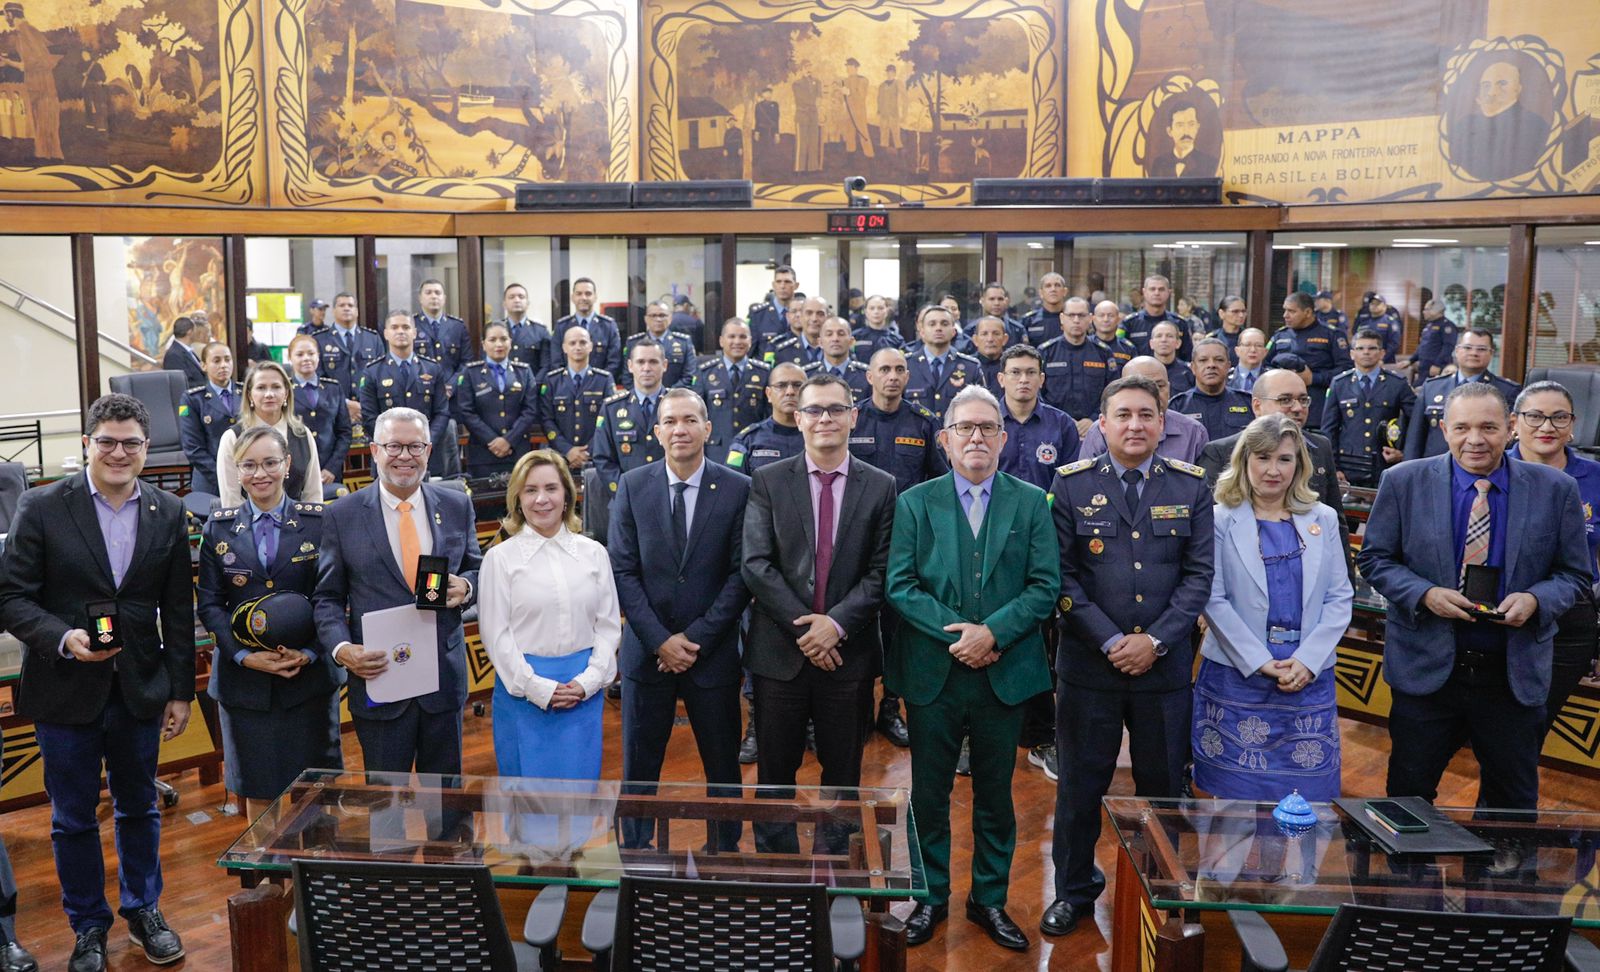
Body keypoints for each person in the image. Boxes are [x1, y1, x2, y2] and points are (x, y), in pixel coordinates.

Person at [0, 394, 194, 970]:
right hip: (63, 688)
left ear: (145, 449)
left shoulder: (168, 510)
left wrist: (181, 689)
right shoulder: (40, 506)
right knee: (72, 817)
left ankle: (143, 910)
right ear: (87, 443)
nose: (118, 452)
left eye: (131, 442)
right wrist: (62, 637)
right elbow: (12, 598)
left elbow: (176, 610)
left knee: (140, 808)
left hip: (140, 687)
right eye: (106, 441)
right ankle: (87, 927)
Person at [1358, 383, 1588, 810]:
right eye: (1462, 427)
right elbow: (1374, 560)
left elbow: (1575, 575)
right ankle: (1409, 878)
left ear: (1511, 428)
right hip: (1426, 669)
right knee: (1407, 797)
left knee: (1511, 804)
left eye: (1489, 427)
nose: (1475, 439)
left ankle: (1498, 875)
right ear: (1444, 428)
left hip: (1511, 672)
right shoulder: (1403, 481)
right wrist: (1424, 593)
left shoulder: (1555, 489)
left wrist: (1536, 600)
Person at [885, 386, 1058, 952]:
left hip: (1003, 674)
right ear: (945, 439)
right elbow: (901, 586)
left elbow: (1045, 586)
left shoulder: (1032, 501)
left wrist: (994, 634)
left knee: (996, 796)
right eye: (965, 428)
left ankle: (988, 899)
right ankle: (930, 896)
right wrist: (959, 636)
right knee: (928, 795)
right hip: (934, 673)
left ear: (1004, 439)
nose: (977, 437)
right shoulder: (915, 502)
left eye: (988, 427)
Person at [1043, 375, 1214, 937]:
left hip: (1163, 670)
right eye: (1124, 415)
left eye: (1146, 414)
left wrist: (1156, 641)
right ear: (1103, 424)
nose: (1136, 425)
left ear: (1163, 424)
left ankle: (1160, 884)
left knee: (1163, 788)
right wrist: (1114, 641)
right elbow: (1062, 578)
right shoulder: (1068, 486)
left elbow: (1198, 578)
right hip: (1091, 667)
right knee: (1079, 787)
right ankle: (1072, 890)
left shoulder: (1191, 486)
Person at [741, 374, 897, 854]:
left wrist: (836, 625)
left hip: (848, 657)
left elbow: (881, 570)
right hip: (779, 658)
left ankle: (834, 865)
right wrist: (809, 631)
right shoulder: (768, 480)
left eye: (835, 409)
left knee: (843, 770)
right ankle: (777, 866)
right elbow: (757, 564)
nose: (824, 418)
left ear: (854, 416)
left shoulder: (882, 485)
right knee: (774, 772)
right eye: (814, 410)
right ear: (797, 417)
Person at [609, 389, 751, 850]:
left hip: (711, 657)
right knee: (639, 768)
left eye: (690, 420)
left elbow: (740, 575)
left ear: (708, 429)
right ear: (657, 431)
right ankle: (633, 850)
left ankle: (724, 852)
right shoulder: (633, 486)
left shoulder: (738, 488)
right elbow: (623, 570)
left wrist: (694, 640)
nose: (680, 429)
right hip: (647, 655)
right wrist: (659, 641)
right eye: (670, 421)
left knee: (722, 766)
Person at [312, 407, 482, 775]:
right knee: (387, 809)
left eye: (415, 447)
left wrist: (467, 586)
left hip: (443, 680)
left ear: (429, 451)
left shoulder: (456, 505)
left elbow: (478, 568)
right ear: (374, 451)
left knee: (449, 802)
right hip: (380, 679)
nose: (405, 456)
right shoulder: (342, 514)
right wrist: (343, 651)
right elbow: (326, 599)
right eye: (394, 446)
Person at [1193, 415, 1353, 800]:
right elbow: (1212, 598)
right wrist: (1259, 661)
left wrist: (1309, 660)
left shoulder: (1324, 518)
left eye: (1284, 459)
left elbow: (1339, 596)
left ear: (1299, 464)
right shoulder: (1217, 518)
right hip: (1237, 672)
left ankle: (1299, 864)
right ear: (1244, 460)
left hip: (1307, 674)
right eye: (1263, 457)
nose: (1273, 470)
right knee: (1231, 811)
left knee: (1306, 802)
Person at [197, 427, 342, 815]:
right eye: (249, 465)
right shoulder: (218, 528)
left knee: (316, 792)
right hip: (245, 685)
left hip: (308, 680)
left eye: (270, 463)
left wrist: (310, 653)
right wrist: (244, 656)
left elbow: (332, 599)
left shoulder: (319, 522)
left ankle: (312, 874)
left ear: (287, 465)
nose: (260, 474)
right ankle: (269, 878)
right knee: (260, 793)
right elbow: (210, 605)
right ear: (237, 469)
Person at [479, 449, 618, 783]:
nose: (542, 499)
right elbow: (496, 637)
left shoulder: (594, 554)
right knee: (529, 809)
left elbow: (609, 627)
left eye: (551, 488)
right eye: (530, 490)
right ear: (518, 498)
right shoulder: (500, 559)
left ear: (567, 495)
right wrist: (537, 687)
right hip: (523, 693)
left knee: (578, 804)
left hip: (582, 691)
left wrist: (588, 682)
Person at [850, 346, 949, 748]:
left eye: (899, 370)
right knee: (854, 624)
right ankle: (853, 708)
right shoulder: (852, 418)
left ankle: (890, 709)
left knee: (897, 630)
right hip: (854, 540)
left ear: (908, 377)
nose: (892, 376)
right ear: (869, 376)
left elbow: (938, 484)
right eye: (884, 370)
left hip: (905, 543)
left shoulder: (923, 423)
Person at [1505, 382, 1600, 742]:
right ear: (1515, 422)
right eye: (1535, 416)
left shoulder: (1595, 477)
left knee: (1531, 731)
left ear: (1573, 424)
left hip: (1570, 622)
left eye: (1559, 417)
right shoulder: (1491, 469)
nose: (1547, 427)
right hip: (1504, 616)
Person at [1197, 369, 1351, 574]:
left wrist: (1346, 585)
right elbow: (1210, 533)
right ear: (1257, 406)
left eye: (1303, 400)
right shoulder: (1221, 452)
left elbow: (1338, 524)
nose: (1297, 408)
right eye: (1285, 400)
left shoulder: (1320, 446)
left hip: (1308, 569)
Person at [216, 360, 324, 508]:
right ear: (249, 395)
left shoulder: (302, 434)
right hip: (247, 527)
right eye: (261, 388)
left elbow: (313, 495)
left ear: (286, 393)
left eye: (276, 387)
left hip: (298, 526)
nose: (269, 394)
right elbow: (231, 500)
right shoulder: (232, 438)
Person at [1404, 328, 1522, 461]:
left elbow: (1510, 439)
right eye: (1468, 347)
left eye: (1481, 349)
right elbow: (1414, 438)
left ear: (1491, 354)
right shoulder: (1432, 388)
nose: (1474, 353)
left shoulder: (1507, 391)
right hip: (1435, 470)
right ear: (1456, 350)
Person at [1322, 329, 1416, 486]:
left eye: (1372, 348)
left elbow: (1416, 422)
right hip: (1348, 466)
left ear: (1382, 353)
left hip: (1384, 465)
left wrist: (1403, 452)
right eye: (1360, 348)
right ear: (1352, 354)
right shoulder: (1339, 384)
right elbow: (1328, 429)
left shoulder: (1397, 383)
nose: (1366, 352)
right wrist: (1334, 467)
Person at [1077, 357, 1209, 463]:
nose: (1152, 393)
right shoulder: (1100, 432)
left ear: (1169, 388)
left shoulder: (1194, 432)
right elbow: (1087, 485)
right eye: (1140, 386)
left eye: (1159, 385)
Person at [453, 321, 541, 477]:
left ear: (510, 342)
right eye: (492, 340)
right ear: (484, 344)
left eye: (503, 339)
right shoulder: (470, 373)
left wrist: (508, 440)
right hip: (482, 453)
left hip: (517, 452)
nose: (498, 344)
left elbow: (530, 410)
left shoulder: (524, 372)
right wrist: (492, 440)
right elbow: (466, 412)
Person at [358, 311, 452, 453]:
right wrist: (393, 444)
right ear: (386, 334)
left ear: (414, 333)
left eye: (406, 327)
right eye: (394, 327)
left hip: (426, 453)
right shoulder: (372, 371)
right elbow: (369, 417)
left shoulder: (432, 369)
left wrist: (425, 442)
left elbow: (442, 413)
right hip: (388, 454)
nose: (400, 331)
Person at [687, 319, 770, 465]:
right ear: (721, 341)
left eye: (743, 337)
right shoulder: (705, 372)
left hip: (753, 448)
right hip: (717, 450)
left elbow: (768, 414)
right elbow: (696, 414)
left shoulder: (763, 372)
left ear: (750, 341)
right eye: (731, 337)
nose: (737, 341)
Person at [1264, 292, 1352, 430]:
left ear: (1308, 312)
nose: (1285, 315)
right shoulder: (1280, 335)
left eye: (1291, 311)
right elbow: (1264, 365)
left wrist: (1314, 378)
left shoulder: (1332, 335)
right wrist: (1279, 377)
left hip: (1317, 408)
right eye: (1285, 310)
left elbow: (1346, 371)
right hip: (1282, 409)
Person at [592, 338, 668, 494]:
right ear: (630, 366)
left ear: (664, 365)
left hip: (670, 496)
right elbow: (602, 458)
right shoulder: (611, 408)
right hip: (626, 498)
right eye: (640, 362)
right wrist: (626, 492)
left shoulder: (678, 404)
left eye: (653, 362)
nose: (646, 368)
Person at [538, 324, 613, 475]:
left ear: (591, 346)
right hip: (559, 457)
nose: (578, 347)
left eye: (583, 342)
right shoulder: (552, 380)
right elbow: (546, 419)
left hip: (595, 457)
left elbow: (607, 419)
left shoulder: (604, 379)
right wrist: (567, 450)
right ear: (564, 348)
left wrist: (588, 451)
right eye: (572, 343)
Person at [287, 333, 352, 493]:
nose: (306, 358)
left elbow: (344, 433)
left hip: (330, 473)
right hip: (295, 472)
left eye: (311, 353)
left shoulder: (333, 388)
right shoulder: (284, 390)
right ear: (290, 358)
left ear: (318, 356)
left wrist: (332, 468)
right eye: (300, 354)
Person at [310, 293, 385, 429]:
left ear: (357, 311)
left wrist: (365, 404)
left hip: (368, 412)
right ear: (333, 311)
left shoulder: (372, 338)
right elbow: (316, 378)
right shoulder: (319, 340)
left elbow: (381, 375)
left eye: (350, 305)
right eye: (341, 305)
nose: (346, 308)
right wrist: (345, 403)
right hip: (333, 413)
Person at [1038, 297, 1113, 431]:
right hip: (1053, 426)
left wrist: (1094, 418)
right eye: (1071, 315)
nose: (1076, 320)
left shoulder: (1103, 352)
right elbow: (1037, 392)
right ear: (1062, 318)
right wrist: (1061, 418)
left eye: (1081, 315)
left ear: (1090, 319)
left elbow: (1112, 391)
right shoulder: (1046, 352)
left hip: (1094, 427)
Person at [179, 340, 242, 496]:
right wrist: (224, 475)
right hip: (211, 480)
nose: (223, 365)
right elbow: (192, 448)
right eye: (216, 361)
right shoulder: (192, 399)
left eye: (228, 359)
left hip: (247, 477)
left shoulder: (247, 392)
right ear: (203, 366)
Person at [904, 304, 981, 420]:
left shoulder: (971, 367)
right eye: (932, 324)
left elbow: (979, 409)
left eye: (944, 324)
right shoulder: (905, 365)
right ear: (922, 331)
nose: (938, 328)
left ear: (954, 331)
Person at [727, 362, 806, 475]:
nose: (790, 392)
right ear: (768, 394)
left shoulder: (819, 436)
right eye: (781, 386)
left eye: (798, 385)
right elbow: (732, 484)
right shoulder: (747, 441)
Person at [1171, 337, 1253, 439]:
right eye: (1203, 360)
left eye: (1219, 360)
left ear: (1228, 367)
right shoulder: (1177, 406)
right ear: (1193, 367)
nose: (1211, 365)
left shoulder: (1247, 403)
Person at [553, 277, 622, 376]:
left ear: (595, 297)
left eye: (588, 294)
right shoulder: (561, 327)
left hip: (600, 388)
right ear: (572, 297)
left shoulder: (608, 326)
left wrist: (599, 382)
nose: (583, 298)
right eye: (579, 294)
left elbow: (614, 362)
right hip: (568, 388)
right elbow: (556, 362)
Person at [622, 301, 696, 390]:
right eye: (653, 315)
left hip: (674, 398)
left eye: (662, 315)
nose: (658, 319)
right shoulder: (633, 343)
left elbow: (689, 376)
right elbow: (626, 377)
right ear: (646, 319)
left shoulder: (683, 342)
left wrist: (668, 395)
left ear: (670, 318)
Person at [1121, 275, 1193, 360]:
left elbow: (1188, 357)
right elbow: (1120, 352)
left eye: (1161, 289)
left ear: (1169, 293)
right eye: (1152, 289)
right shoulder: (1129, 323)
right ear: (1144, 292)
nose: (1157, 293)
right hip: (1138, 372)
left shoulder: (1180, 323)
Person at [412, 278, 470, 381]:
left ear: (444, 298)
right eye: (428, 293)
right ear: (420, 298)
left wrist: (452, 386)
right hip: (421, 389)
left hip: (452, 392)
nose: (433, 296)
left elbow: (466, 362)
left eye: (437, 293)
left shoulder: (457, 326)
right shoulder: (412, 325)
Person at [805, 316, 871, 399]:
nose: (835, 339)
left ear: (851, 341)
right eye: (829, 334)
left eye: (841, 334)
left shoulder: (866, 375)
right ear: (820, 342)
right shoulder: (807, 375)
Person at [501, 282, 552, 375]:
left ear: (528, 303)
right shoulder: (496, 330)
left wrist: (534, 385)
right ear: (504, 304)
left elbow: (546, 365)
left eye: (521, 297)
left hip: (532, 386)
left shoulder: (540, 331)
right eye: (511, 297)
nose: (517, 300)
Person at [748, 266, 799, 353]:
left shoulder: (804, 313)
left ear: (796, 286)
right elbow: (750, 350)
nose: (782, 286)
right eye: (778, 282)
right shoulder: (759, 315)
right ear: (773, 285)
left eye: (787, 282)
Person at [767, 296, 828, 368]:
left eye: (820, 314)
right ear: (801, 317)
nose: (814, 319)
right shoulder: (783, 352)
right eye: (809, 313)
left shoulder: (836, 348)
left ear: (827, 317)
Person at [1411, 298, 1460, 384]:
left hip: (1436, 368)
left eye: (1426, 309)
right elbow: (1423, 345)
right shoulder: (1429, 326)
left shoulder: (1447, 326)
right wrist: (1410, 360)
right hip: (1424, 368)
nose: (1423, 312)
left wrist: (1438, 365)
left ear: (1436, 310)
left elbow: (1448, 347)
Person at [967, 283, 1027, 348]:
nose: (996, 303)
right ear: (982, 301)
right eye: (992, 299)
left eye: (1000, 299)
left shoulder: (1017, 329)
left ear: (1006, 301)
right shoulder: (970, 330)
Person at [1349, 293, 1402, 363]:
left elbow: (1394, 343)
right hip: (1364, 361)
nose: (1374, 306)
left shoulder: (1390, 322)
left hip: (1384, 362)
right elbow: (1356, 340)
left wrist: (1382, 359)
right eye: (1372, 304)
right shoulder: (1363, 322)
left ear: (1384, 306)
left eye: (1377, 304)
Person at [1021, 273, 1069, 347]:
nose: (1053, 289)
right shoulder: (1029, 320)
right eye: (1048, 286)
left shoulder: (1073, 319)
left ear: (1064, 291)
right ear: (1041, 293)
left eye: (1057, 285)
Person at [852, 294, 904, 362]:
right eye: (872, 308)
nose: (876, 312)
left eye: (880, 308)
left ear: (887, 311)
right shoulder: (855, 337)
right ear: (865, 311)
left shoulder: (896, 339)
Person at [1091, 299, 1136, 375]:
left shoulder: (1128, 349)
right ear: (1094, 319)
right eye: (1101, 315)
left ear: (1118, 320)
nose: (1106, 319)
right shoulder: (1085, 346)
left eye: (1110, 315)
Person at [1149, 321, 1194, 396]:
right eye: (1159, 336)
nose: (1164, 340)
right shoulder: (1142, 371)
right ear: (1151, 344)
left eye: (1169, 336)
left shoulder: (1189, 372)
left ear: (1178, 343)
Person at [160, 315, 208, 386]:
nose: (196, 333)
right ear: (189, 332)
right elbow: (183, 383)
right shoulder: (173, 355)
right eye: (195, 330)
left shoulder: (187, 350)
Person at [968, 317, 1009, 394]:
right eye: (984, 334)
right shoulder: (967, 366)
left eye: (996, 334)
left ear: (1005, 339)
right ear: (975, 340)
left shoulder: (1013, 366)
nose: (990, 339)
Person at [1208, 296, 1248, 363]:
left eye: (1243, 311)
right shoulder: (1212, 339)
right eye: (1235, 311)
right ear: (1221, 313)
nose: (1241, 315)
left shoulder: (1248, 338)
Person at [1228, 328, 1268, 392]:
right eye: (1247, 345)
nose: (1253, 350)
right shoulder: (1224, 378)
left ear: (1265, 352)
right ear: (1237, 351)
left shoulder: (1272, 379)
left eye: (1258, 345)